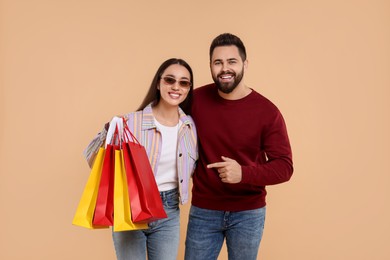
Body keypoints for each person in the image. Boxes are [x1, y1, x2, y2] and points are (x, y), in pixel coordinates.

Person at [184, 33, 293, 260]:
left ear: (244, 63)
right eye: (218, 62)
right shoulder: (195, 100)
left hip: (248, 213)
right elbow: (161, 111)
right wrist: (119, 126)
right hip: (204, 210)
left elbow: (284, 167)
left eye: (231, 61)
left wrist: (243, 172)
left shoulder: (267, 112)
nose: (225, 68)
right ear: (211, 66)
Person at [86, 58, 198, 260]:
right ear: (158, 83)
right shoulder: (131, 122)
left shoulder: (189, 127)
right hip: (131, 208)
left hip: (169, 211)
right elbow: (92, 161)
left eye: (184, 83)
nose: (176, 87)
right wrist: (107, 132)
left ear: (189, 88)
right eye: (169, 80)